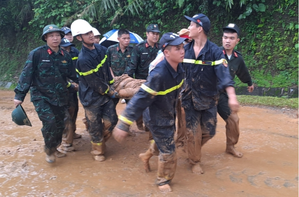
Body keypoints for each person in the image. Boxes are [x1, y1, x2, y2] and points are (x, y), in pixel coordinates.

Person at [113, 32, 186, 193]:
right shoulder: (158, 74)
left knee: (163, 142)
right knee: (169, 151)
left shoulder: (180, 68)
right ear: (166, 52)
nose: (182, 51)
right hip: (156, 117)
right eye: (177, 48)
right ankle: (163, 180)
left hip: (168, 113)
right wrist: (124, 123)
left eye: (182, 47)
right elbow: (140, 98)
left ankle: (146, 156)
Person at [182, 13, 239, 174]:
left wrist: (232, 96)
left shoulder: (215, 52)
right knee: (193, 131)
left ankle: (191, 147)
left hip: (208, 99)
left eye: (191, 25)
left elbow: (224, 75)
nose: (189, 28)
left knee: (209, 131)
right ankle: (194, 160)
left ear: (199, 29)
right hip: (188, 98)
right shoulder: (184, 49)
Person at [14, 24, 78, 163]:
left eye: (57, 35)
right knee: (50, 123)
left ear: (61, 37)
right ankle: (49, 150)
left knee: (60, 125)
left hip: (61, 96)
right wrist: (19, 95)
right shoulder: (37, 54)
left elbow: (73, 75)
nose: (55, 38)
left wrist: (83, 83)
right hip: (41, 96)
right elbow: (26, 74)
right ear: (45, 38)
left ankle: (55, 147)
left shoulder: (65, 55)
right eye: (51, 36)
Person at [70, 19, 118, 162]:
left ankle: (99, 140)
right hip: (91, 98)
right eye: (86, 34)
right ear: (79, 38)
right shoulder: (83, 59)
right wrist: (110, 92)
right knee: (95, 125)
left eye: (91, 32)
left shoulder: (103, 50)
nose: (90, 35)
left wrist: (112, 84)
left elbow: (107, 71)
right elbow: (94, 82)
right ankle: (97, 151)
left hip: (105, 94)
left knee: (112, 121)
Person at [218, 23, 254, 158]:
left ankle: (230, 146)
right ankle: (191, 151)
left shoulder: (238, 59)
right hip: (208, 95)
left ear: (237, 40)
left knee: (233, 119)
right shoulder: (213, 53)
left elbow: (243, 72)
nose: (228, 41)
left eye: (231, 38)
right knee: (202, 126)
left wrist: (249, 83)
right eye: (225, 37)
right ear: (222, 38)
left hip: (223, 95)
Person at [125, 24, 160, 131]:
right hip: (143, 83)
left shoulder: (160, 48)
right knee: (143, 107)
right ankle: (142, 125)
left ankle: (150, 128)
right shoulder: (139, 48)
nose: (155, 36)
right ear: (147, 34)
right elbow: (132, 66)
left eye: (157, 34)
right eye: (153, 33)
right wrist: (127, 82)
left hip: (157, 82)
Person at [57, 38, 79, 152]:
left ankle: (71, 134)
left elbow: (76, 71)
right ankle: (66, 142)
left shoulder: (73, 53)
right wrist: (71, 84)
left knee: (73, 111)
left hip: (72, 90)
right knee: (66, 117)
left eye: (69, 47)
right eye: (65, 47)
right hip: (61, 91)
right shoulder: (55, 57)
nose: (68, 50)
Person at [61, 27, 82, 139]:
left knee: (74, 108)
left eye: (70, 34)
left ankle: (72, 132)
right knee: (65, 112)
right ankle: (66, 135)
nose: (69, 36)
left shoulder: (75, 51)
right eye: (66, 34)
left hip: (74, 87)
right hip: (64, 87)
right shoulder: (57, 53)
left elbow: (78, 68)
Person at [106, 29, 133, 106]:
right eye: (124, 38)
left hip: (128, 82)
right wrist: (113, 78)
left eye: (128, 38)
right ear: (118, 39)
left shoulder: (132, 50)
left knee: (131, 105)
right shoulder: (111, 49)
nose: (127, 40)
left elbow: (133, 65)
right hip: (114, 82)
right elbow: (108, 65)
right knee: (111, 105)